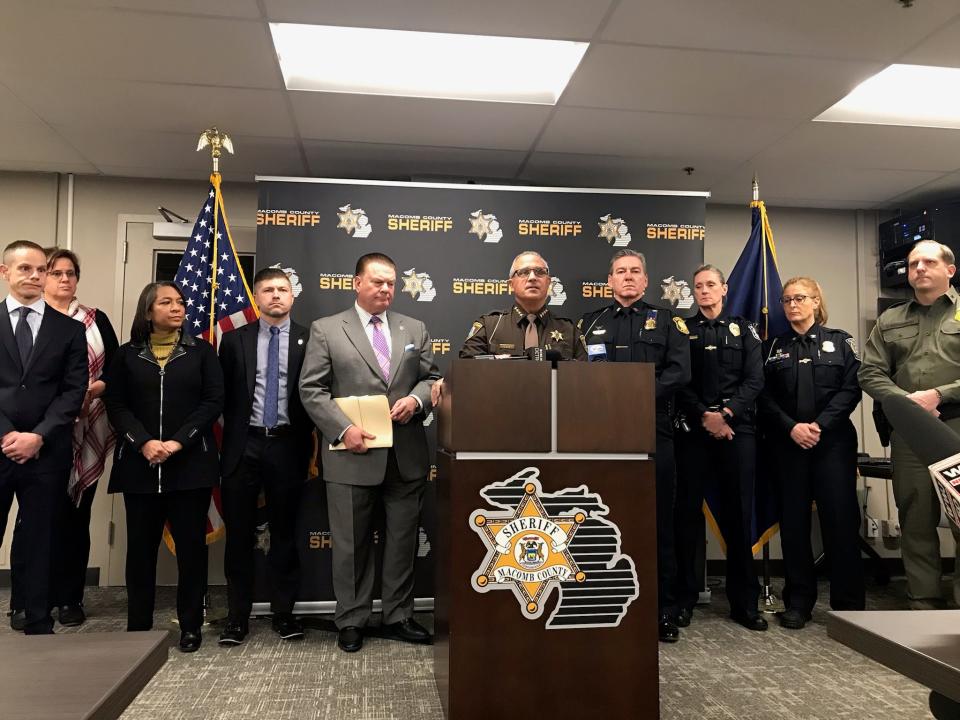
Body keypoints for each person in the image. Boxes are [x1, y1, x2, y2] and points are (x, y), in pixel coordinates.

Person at [299, 252, 439, 653]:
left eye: (391, 283)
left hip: (406, 455)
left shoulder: (414, 327)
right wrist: (343, 429)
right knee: (351, 545)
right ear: (356, 283)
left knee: (402, 543)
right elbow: (311, 390)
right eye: (377, 282)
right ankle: (352, 619)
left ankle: (398, 615)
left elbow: (432, 378)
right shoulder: (327, 330)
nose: (385, 289)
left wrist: (417, 400)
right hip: (351, 453)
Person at [577, 248, 691, 641]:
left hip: (652, 427)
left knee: (657, 520)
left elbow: (679, 372)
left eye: (635, 271)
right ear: (609, 281)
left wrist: (639, 397)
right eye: (620, 272)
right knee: (601, 519)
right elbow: (578, 376)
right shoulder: (589, 325)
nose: (628, 277)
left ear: (645, 281)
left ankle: (664, 608)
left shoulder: (667, 322)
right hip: (602, 432)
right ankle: (601, 603)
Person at [104, 281, 224, 652]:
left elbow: (213, 401)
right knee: (140, 551)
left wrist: (177, 441)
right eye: (167, 302)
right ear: (147, 311)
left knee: (191, 550)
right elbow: (116, 406)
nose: (177, 308)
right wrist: (143, 443)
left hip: (190, 467)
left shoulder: (202, 352)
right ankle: (138, 627)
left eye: (181, 302)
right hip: (140, 467)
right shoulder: (125, 356)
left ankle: (191, 626)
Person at [9, 248, 119, 629]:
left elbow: (116, 370)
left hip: (85, 427)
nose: (63, 279)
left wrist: (94, 389)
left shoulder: (92, 321)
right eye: (55, 272)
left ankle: (69, 598)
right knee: (32, 523)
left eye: (70, 273)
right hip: (36, 436)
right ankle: (24, 600)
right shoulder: (27, 320)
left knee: (75, 519)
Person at [859, 239, 960, 610]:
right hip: (910, 434)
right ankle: (924, 602)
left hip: (957, 427)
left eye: (928, 262)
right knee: (915, 518)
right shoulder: (891, 320)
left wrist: (939, 394)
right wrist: (907, 403)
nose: (919, 268)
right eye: (913, 263)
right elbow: (869, 372)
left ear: (949, 270)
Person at [758, 276, 864, 628]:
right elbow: (763, 396)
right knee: (794, 525)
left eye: (800, 298)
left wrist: (819, 426)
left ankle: (848, 606)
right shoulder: (772, 347)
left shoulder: (841, 342)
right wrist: (792, 426)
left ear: (816, 301)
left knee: (840, 522)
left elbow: (851, 389)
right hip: (788, 446)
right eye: (786, 300)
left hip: (831, 444)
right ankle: (798, 602)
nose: (792, 305)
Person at [218, 268, 312, 646]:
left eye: (282, 289)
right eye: (268, 290)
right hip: (245, 445)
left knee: (285, 533)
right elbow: (220, 396)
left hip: (288, 445)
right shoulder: (233, 340)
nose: (276, 295)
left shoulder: (310, 339)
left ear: (293, 296)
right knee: (239, 535)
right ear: (256, 298)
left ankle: (284, 614)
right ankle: (237, 617)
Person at [0, 240, 88, 634]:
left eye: (41, 269)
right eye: (25, 269)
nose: (34, 276)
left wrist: (36, 436)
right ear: (5, 272)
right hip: (0, 448)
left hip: (46, 451)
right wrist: (7, 435)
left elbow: (73, 391)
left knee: (40, 538)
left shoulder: (69, 330)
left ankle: (37, 619)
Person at [674, 265, 766, 631]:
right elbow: (679, 378)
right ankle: (683, 599)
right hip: (694, 432)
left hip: (736, 431)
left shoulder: (745, 330)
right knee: (685, 518)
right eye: (698, 286)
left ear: (724, 289)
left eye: (711, 285)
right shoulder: (683, 331)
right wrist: (705, 416)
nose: (704, 291)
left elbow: (756, 378)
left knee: (739, 516)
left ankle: (744, 604)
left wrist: (726, 414)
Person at [460, 251, 584, 360]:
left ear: (549, 282)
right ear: (511, 284)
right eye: (524, 272)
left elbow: (586, 376)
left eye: (540, 272)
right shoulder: (489, 326)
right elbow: (467, 369)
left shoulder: (570, 330)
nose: (532, 277)